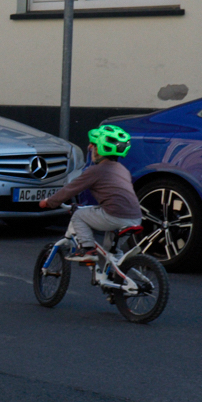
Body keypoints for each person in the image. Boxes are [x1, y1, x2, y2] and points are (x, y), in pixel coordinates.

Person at [38, 121, 143, 288]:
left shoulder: (95, 171)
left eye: (93, 145)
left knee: (79, 215)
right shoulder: (122, 169)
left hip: (114, 216)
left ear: (100, 149)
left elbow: (70, 189)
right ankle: (116, 283)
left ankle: (87, 250)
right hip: (135, 218)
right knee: (111, 252)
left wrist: (49, 202)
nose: (89, 147)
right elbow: (114, 196)